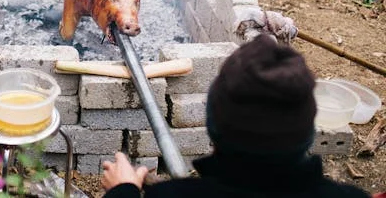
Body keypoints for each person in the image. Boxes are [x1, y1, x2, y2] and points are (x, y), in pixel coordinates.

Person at [101, 34, 370, 198]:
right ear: (308, 130)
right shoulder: (351, 197)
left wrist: (122, 191)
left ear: (213, 126)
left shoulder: (169, 196)